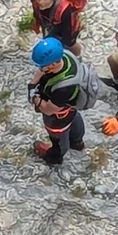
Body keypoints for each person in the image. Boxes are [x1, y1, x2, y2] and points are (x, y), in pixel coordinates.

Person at [28, 36, 87, 165]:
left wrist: (33, 97)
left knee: (59, 141)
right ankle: (77, 143)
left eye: (42, 66)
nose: (39, 68)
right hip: (71, 108)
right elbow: (41, 72)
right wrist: (33, 83)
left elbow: (48, 110)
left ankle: (54, 157)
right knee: (75, 119)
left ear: (53, 64)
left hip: (58, 118)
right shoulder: (66, 55)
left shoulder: (63, 88)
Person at [21, 0, 88, 48]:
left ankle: (77, 56)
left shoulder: (65, 9)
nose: (40, 2)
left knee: (70, 45)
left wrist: (63, 45)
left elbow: (67, 34)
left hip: (67, 26)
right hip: (50, 22)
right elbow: (36, 13)